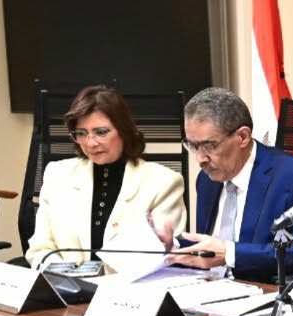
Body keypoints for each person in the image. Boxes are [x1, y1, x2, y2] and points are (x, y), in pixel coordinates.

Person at [163, 88, 293, 282]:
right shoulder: (206, 180)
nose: (199, 158)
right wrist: (172, 244)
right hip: (207, 289)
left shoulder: (292, 175)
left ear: (243, 137)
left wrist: (230, 253)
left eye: (210, 146)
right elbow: (210, 248)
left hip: (262, 290)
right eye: (193, 146)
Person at [24, 85, 185, 268]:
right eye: (81, 133)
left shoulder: (164, 182)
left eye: (101, 132)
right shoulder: (57, 174)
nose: (91, 143)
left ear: (123, 131)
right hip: (65, 283)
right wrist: (68, 278)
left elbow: (161, 257)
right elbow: (40, 249)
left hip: (130, 284)